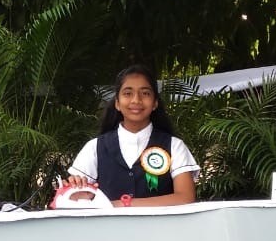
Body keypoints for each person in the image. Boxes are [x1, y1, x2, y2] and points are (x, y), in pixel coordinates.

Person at [65, 65, 200, 208]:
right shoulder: (94, 147)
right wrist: (75, 190)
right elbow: (73, 200)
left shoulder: (174, 146)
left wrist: (123, 204)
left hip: (159, 230)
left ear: (155, 103)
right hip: (108, 230)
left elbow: (186, 197)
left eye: (145, 93)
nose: (136, 100)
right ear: (117, 103)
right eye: (128, 93)